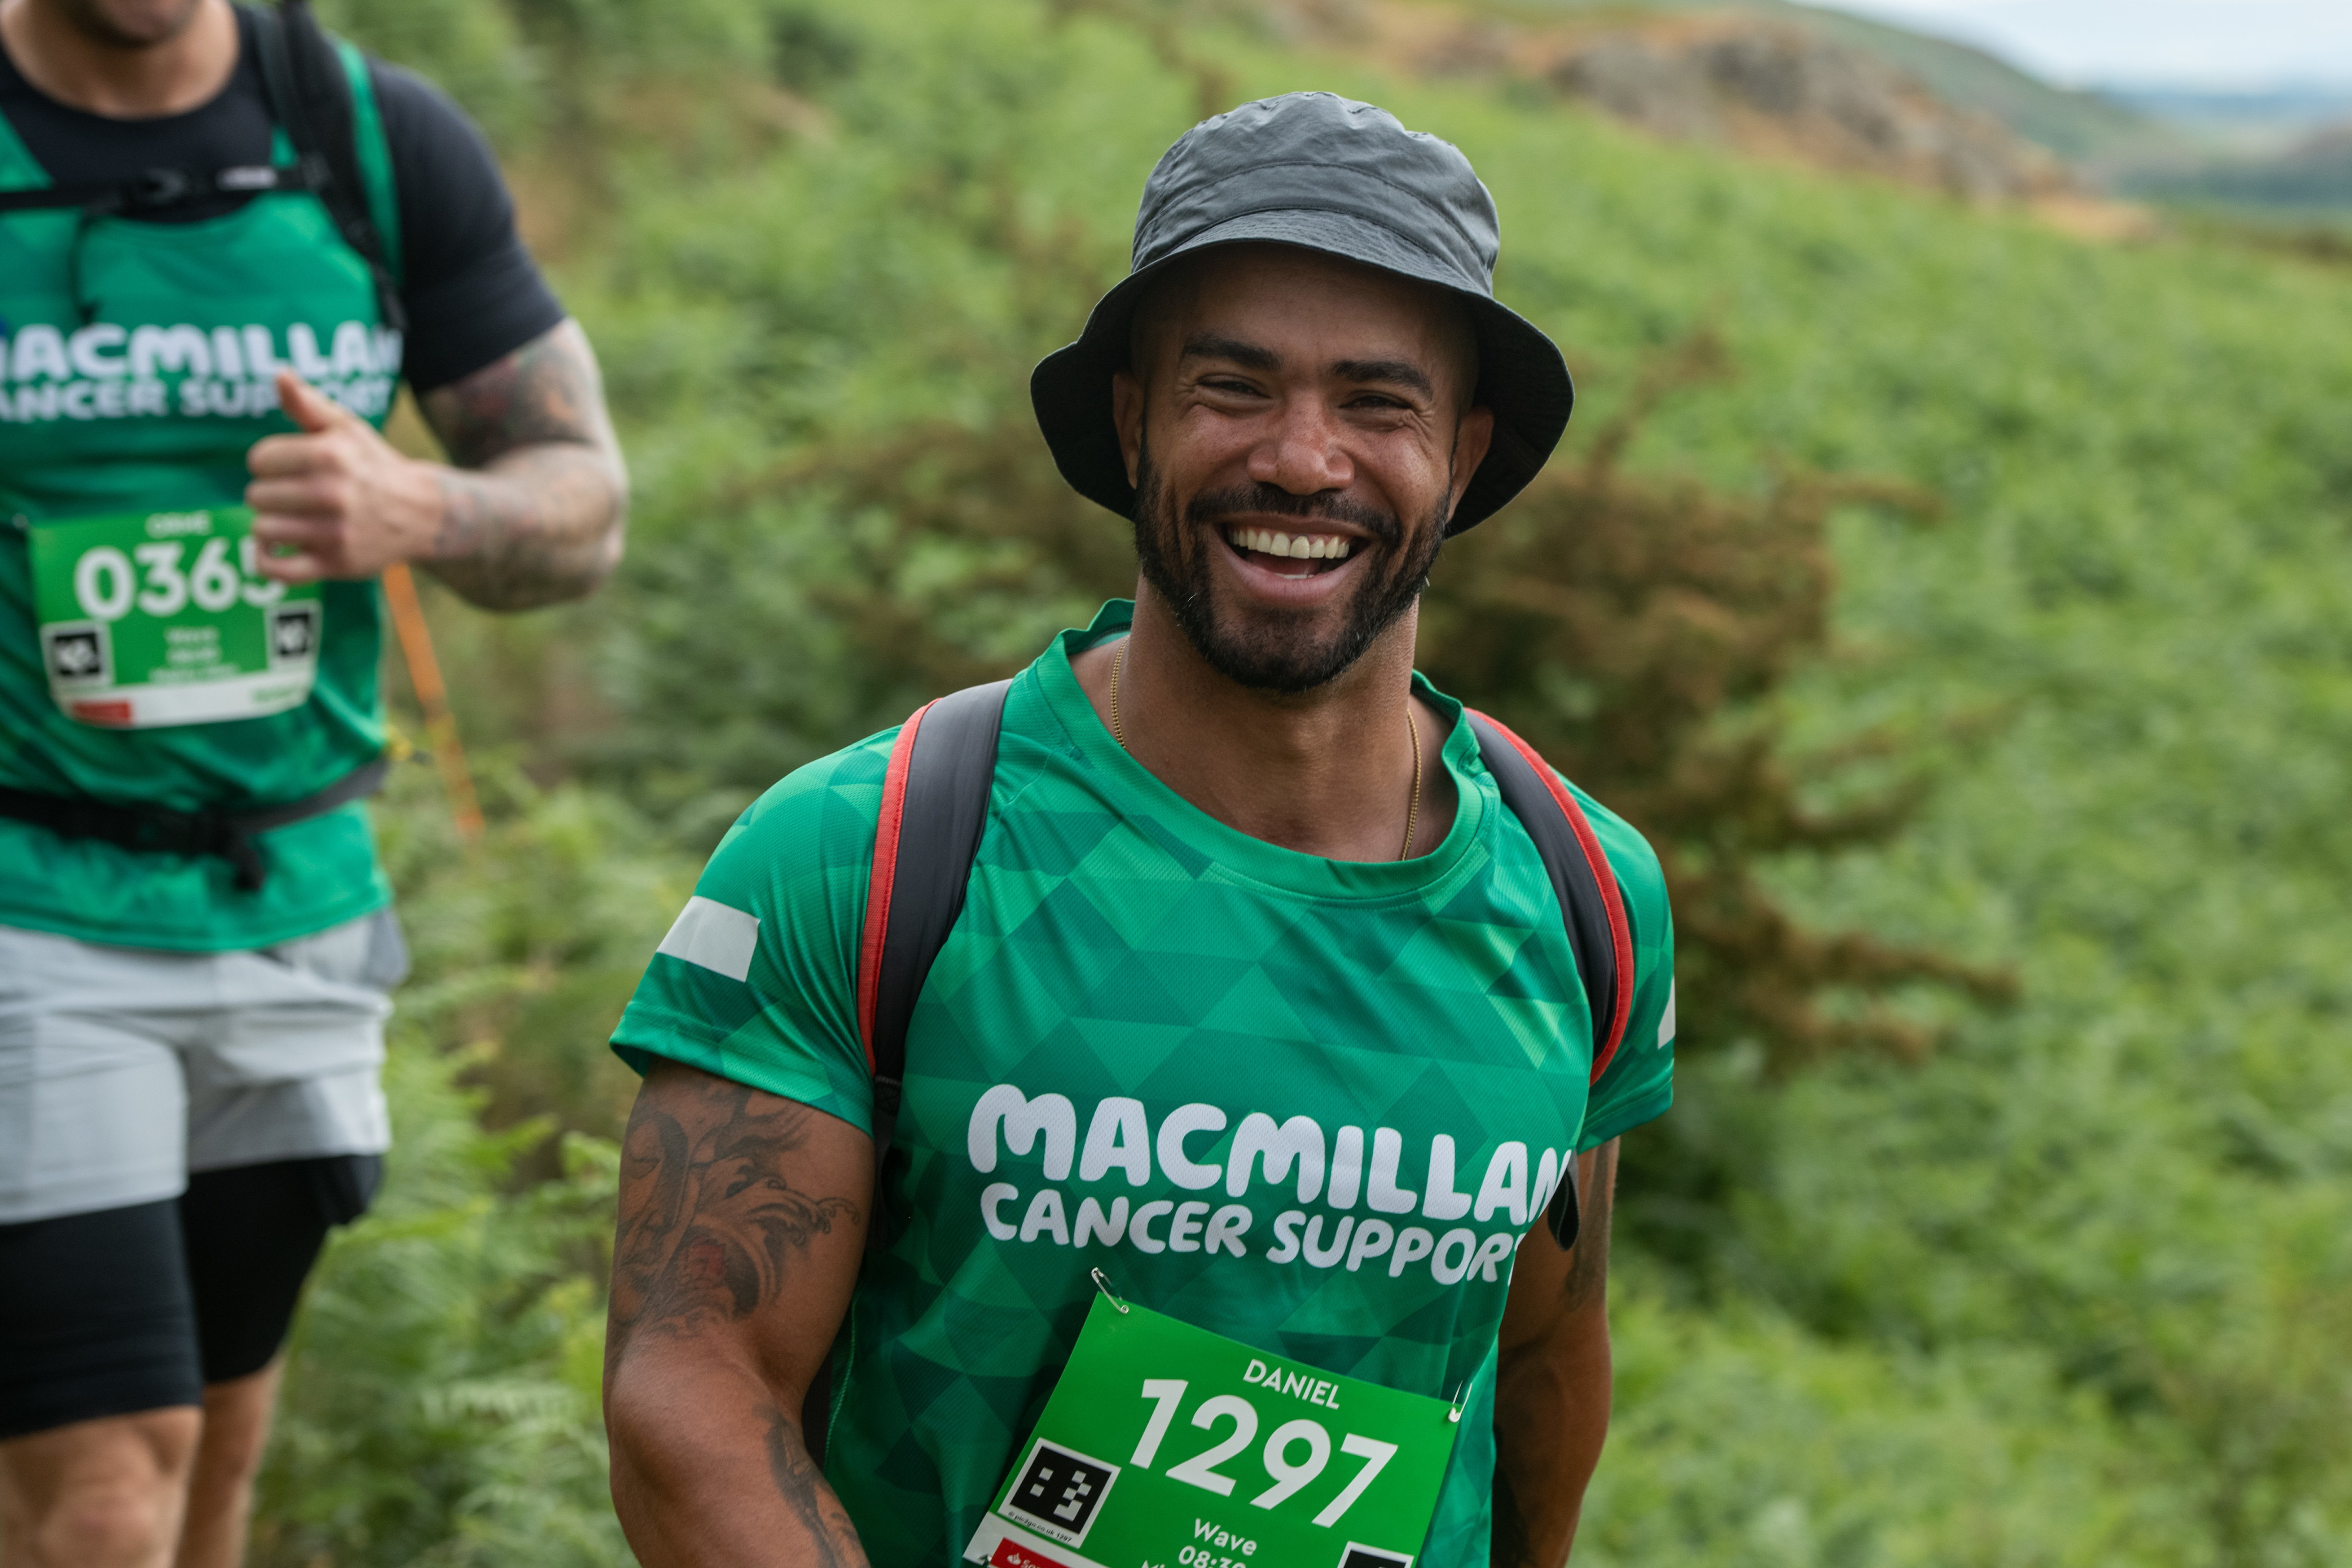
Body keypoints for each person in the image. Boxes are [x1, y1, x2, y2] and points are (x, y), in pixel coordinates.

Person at [603, 92, 1672, 1568]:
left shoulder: (1585, 897)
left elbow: (1548, 1362)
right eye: (1234, 387)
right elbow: (691, 1388)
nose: (1304, 461)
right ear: (1132, 418)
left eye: (1380, 403)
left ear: (1469, 455)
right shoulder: (864, 852)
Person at [0, 0, 627, 1562]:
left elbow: (584, 506)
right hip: (30, 899)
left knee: (214, 1457)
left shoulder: (366, 139)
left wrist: (421, 507)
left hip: (296, 898)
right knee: (106, 1479)